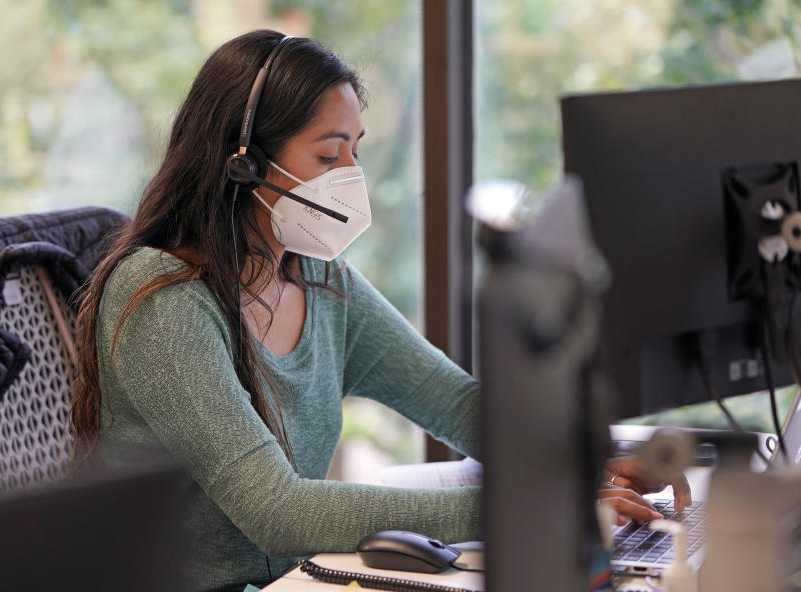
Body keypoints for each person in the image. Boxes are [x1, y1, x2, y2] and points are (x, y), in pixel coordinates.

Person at [70, 30, 690, 591]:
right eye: (327, 155)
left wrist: (576, 460)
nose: (351, 177)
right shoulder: (162, 300)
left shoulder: (317, 274)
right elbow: (278, 512)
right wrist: (528, 501)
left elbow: (452, 401)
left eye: (355, 152)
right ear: (244, 163)